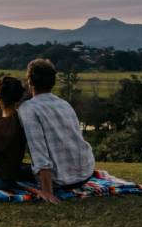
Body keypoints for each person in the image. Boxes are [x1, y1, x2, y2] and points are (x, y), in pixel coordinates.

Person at [17, 58, 95, 204]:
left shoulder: (29, 108)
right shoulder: (64, 104)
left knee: (7, 171)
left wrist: (47, 191)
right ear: (52, 82)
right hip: (85, 172)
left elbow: (39, 152)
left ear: (30, 82)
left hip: (62, 180)